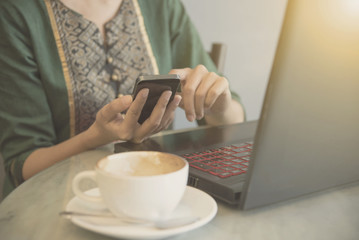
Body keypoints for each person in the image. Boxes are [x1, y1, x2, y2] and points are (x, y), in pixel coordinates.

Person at [0, 0, 245, 197]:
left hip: (157, 194)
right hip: (61, 199)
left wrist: (220, 105)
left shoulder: (162, 6)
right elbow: (22, 165)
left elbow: (233, 121)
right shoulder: (16, 13)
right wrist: (95, 138)